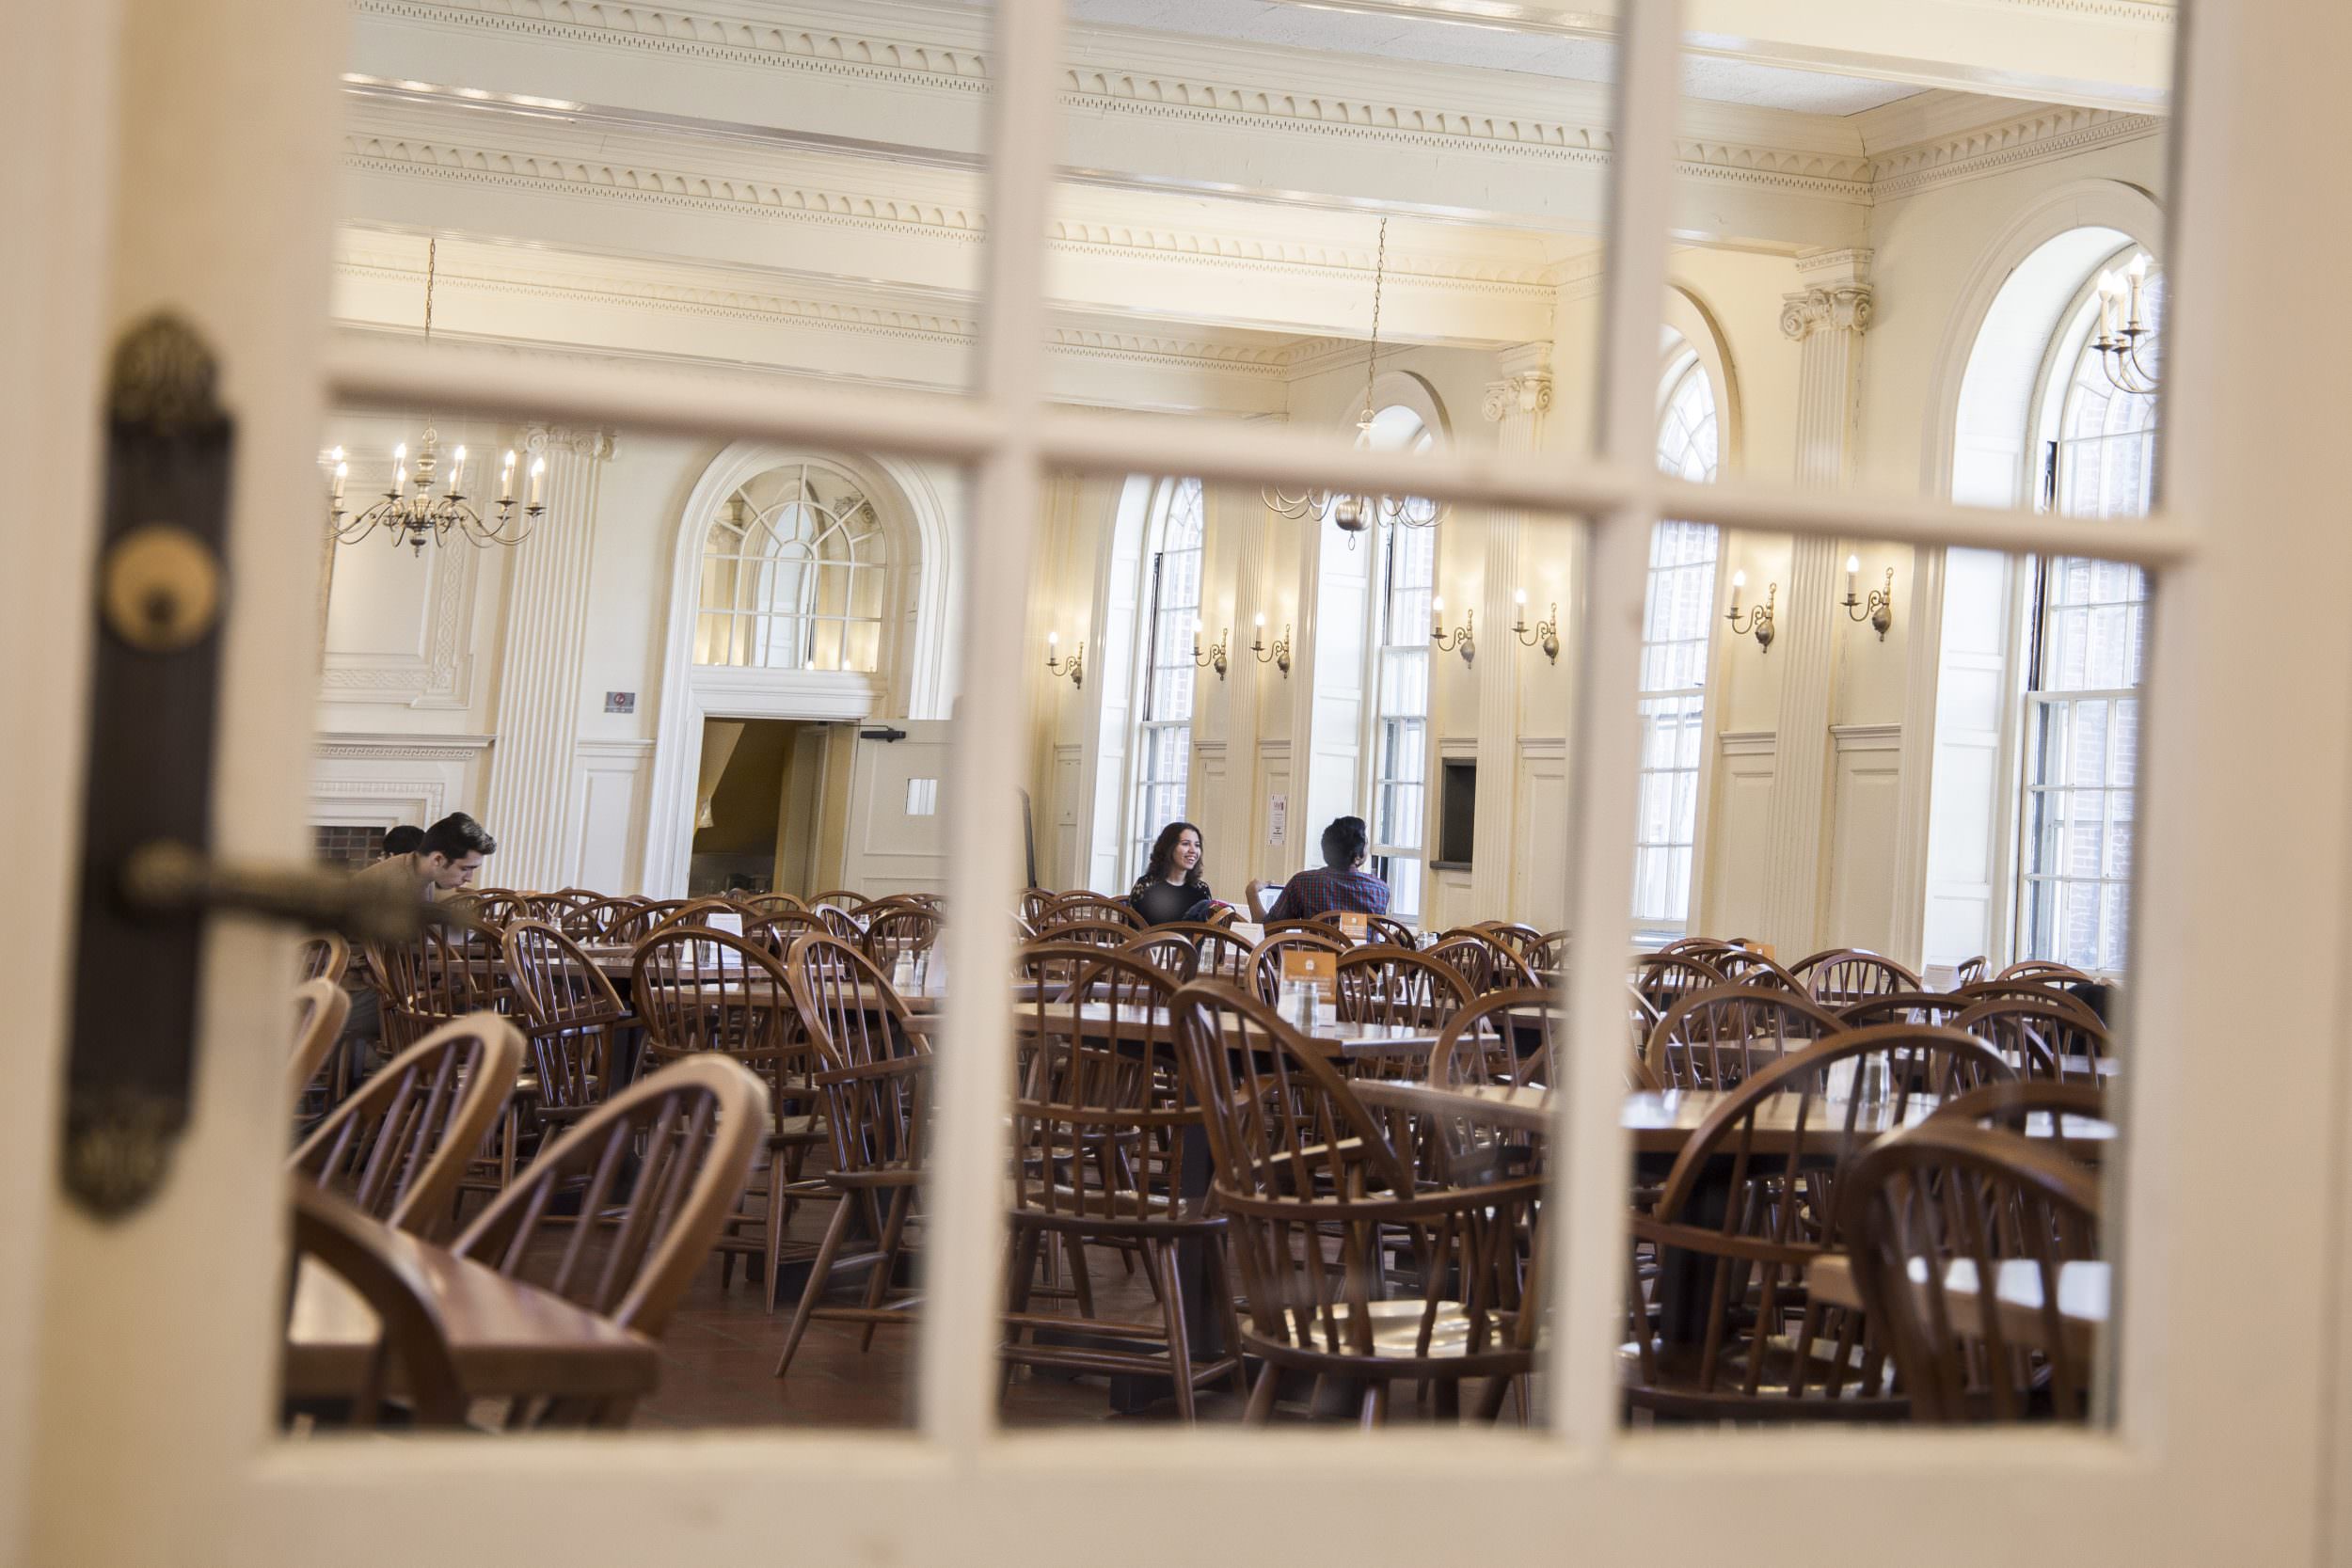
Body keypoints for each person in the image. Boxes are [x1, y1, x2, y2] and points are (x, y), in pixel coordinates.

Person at [1265, 816, 1390, 922]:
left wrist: (1252, 893)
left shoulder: (1301, 883)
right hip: (1362, 951)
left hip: (1315, 950)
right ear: (1357, 856)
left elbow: (1269, 927)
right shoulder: (1380, 890)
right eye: (1366, 844)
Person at [354, 812, 496, 903]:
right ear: (437, 859)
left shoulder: (422, 875)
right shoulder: (393, 884)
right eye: (465, 868)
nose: (469, 878)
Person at [1127, 821, 1221, 927]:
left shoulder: (1202, 889)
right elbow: (1129, 931)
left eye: (1197, 845)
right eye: (1185, 844)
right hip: (1149, 942)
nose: (1193, 850)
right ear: (1169, 848)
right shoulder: (1145, 885)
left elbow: (1207, 933)